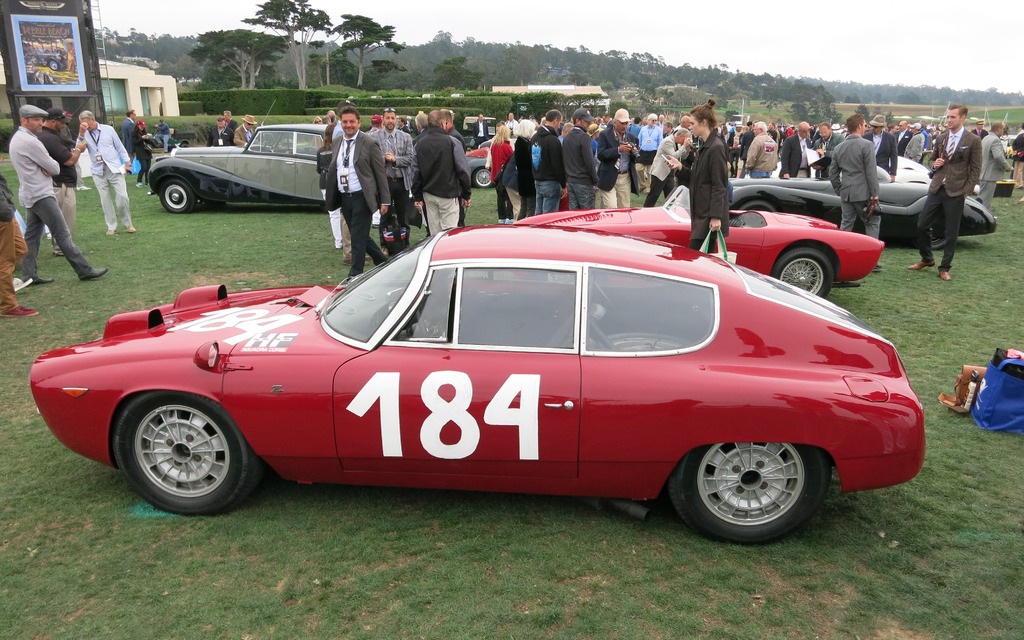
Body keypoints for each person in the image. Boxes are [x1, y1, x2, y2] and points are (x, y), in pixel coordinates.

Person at [9, 105, 108, 285]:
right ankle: (84, 270)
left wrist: (45, 166)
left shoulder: (18, 138)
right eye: (36, 120)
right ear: (24, 120)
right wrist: (47, 166)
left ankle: (29, 275)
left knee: (32, 236)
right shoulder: (30, 141)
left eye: (41, 119)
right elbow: (55, 167)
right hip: (41, 194)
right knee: (62, 233)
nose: (40, 123)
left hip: (30, 193)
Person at [908, 105, 982, 282]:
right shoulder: (941, 137)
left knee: (951, 232)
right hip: (936, 187)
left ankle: (944, 268)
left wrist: (965, 191)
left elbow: (976, 169)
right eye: (948, 117)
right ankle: (927, 258)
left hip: (956, 191)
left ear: (962, 118)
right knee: (922, 225)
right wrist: (935, 164)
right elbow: (932, 159)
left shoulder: (972, 140)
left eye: (953, 117)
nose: (949, 120)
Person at [325, 105, 391, 278]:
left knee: (357, 238)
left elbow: (380, 173)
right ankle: (384, 263)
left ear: (359, 123)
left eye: (352, 122)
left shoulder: (369, 143)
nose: (348, 125)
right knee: (359, 234)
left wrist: (385, 200)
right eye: (345, 122)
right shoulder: (337, 141)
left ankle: (355, 274)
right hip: (344, 197)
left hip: (363, 197)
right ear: (341, 122)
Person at [675, 100, 729, 252]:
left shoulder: (716, 148)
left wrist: (716, 216)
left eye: (692, 123)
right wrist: (680, 167)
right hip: (701, 214)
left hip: (707, 216)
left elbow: (719, 185)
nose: (690, 127)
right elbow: (698, 177)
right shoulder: (706, 146)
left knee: (695, 259)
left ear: (703, 122)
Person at [829, 114, 881, 269]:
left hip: (846, 192)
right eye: (864, 125)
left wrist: (840, 189)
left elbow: (832, 174)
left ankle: (840, 257)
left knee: (846, 225)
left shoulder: (839, 147)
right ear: (859, 126)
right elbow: (871, 172)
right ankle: (871, 259)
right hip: (863, 192)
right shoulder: (867, 145)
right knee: (872, 222)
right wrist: (875, 193)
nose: (866, 127)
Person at [411, 109, 472, 233]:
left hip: (428, 193)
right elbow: (463, 170)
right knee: (449, 233)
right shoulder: (452, 142)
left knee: (434, 233)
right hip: (448, 194)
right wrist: (466, 193)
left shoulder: (419, 143)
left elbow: (415, 172)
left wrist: (417, 195)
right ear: (443, 122)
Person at [79, 110, 136, 236]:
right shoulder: (84, 134)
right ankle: (111, 226)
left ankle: (128, 224)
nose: (85, 126)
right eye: (82, 124)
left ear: (92, 119)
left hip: (115, 168)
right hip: (98, 171)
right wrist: (81, 134)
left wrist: (127, 163)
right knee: (105, 199)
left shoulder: (108, 130)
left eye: (86, 124)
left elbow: (119, 147)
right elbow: (78, 149)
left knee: (122, 197)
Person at [38, 108, 85, 256]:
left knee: (58, 219)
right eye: (62, 122)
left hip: (57, 182)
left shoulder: (50, 136)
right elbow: (69, 160)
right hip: (60, 184)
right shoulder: (49, 138)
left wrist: (81, 136)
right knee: (65, 219)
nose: (64, 125)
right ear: (53, 121)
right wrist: (78, 149)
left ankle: (61, 247)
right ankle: (62, 248)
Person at [369, 108, 415, 251]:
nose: (390, 121)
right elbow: (371, 159)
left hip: (401, 182)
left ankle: (405, 243)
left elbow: (410, 158)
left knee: (403, 217)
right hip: (384, 183)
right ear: (383, 119)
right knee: (385, 216)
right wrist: (384, 159)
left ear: (396, 119)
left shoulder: (405, 137)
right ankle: (385, 245)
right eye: (387, 118)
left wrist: (395, 160)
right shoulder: (374, 137)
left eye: (392, 118)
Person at [1, 167, 36, 317]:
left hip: (7, 210)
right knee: (5, 261)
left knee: (20, 249)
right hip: (3, 214)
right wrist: (6, 213)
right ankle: (8, 306)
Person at [316, 122, 351, 262]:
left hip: (324, 182)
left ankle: (338, 241)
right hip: (336, 181)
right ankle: (345, 240)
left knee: (333, 214)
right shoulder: (338, 148)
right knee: (343, 212)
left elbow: (318, 168)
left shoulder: (320, 150)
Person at [596, 109, 639, 208]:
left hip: (625, 177)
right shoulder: (604, 135)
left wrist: (634, 152)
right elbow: (601, 155)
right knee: (611, 207)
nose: (624, 126)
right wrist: (618, 150)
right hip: (608, 175)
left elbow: (636, 159)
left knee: (624, 208)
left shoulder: (632, 137)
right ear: (615, 122)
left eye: (626, 123)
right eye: (622, 123)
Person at [531, 109, 566, 214]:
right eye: (559, 122)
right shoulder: (553, 140)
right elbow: (557, 165)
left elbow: (532, 159)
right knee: (549, 217)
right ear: (555, 121)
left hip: (538, 180)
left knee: (538, 215)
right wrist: (563, 184)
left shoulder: (534, 137)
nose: (559, 126)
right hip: (551, 182)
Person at [644, 127, 690, 207]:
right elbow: (673, 156)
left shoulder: (678, 143)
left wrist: (687, 147)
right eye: (686, 139)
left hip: (670, 173)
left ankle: (670, 214)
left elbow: (684, 157)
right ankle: (645, 212)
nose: (686, 141)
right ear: (680, 136)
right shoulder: (667, 141)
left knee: (671, 197)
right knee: (653, 195)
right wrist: (684, 146)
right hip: (660, 172)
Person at [563, 108, 598, 210]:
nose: (589, 124)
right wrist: (595, 180)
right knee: (588, 215)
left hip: (571, 181)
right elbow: (589, 161)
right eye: (586, 121)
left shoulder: (567, 137)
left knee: (575, 216)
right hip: (584, 182)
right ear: (578, 121)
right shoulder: (584, 137)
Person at [978, 121, 1010, 209]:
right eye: (1003, 129)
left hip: (983, 172)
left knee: (981, 198)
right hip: (990, 174)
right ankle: (984, 218)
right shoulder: (995, 140)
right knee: (985, 201)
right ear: (999, 129)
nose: (1003, 131)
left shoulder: (985, 138)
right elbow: (998, 156)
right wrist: (1007, 166)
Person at [487, 123, 515, 223]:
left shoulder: (494, 145)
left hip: (496, 175)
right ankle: (509, 217)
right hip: (506, 175)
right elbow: (512, 159)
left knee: (500, 197)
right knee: (509, 197)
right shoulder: (506, 146)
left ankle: (501, 217)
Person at [510, 119, 537, 219]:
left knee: (524, 206)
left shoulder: (519, 142)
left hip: (521, 178)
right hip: (528, 179)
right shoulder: (526, 144)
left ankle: (519, 224)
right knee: (531, 207)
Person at [864, 115, 898, 182]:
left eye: (875, 126)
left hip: (883, 171)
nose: (872, 128)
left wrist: (893, 173)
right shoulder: (866, 136)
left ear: (882, 127)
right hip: (867, 171)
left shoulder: (890, 138)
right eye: (872, 125)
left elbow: (894, 156)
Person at [636, 113, 663, 193]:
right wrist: (639, 147)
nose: (654, 122)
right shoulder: (643, 129)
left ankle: (648, 187)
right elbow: (639, 139)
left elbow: (660, 141)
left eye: (655, 120)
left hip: (653, 152)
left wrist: (658, 151)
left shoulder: (658, 130)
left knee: (650, 171)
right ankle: (643, 185)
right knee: (638, 169)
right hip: (643, 152)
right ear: (648, 120)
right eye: (652, 120)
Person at [131, 120, 156, 187]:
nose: (142, 128)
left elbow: (150, 142)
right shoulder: (134, 133)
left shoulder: (144, 132)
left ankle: (147, 182)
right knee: (144, 167)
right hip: (140, 152)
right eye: (141, 126)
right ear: (137, 126)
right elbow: (134, 143)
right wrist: (141, 138)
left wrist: (148, 138)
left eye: (143, 126)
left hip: (147, 151)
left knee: (148, 168)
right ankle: (139, 181)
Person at [1012, 124, 1024, 189]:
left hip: (1017, 155)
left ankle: (1014, 182)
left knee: (1016, 169)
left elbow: (1014, 144)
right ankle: (1019, 183)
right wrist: (1020, 151)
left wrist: (1016, 150)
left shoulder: (1019, 135)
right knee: (1020, 170)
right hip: (1022, 155)